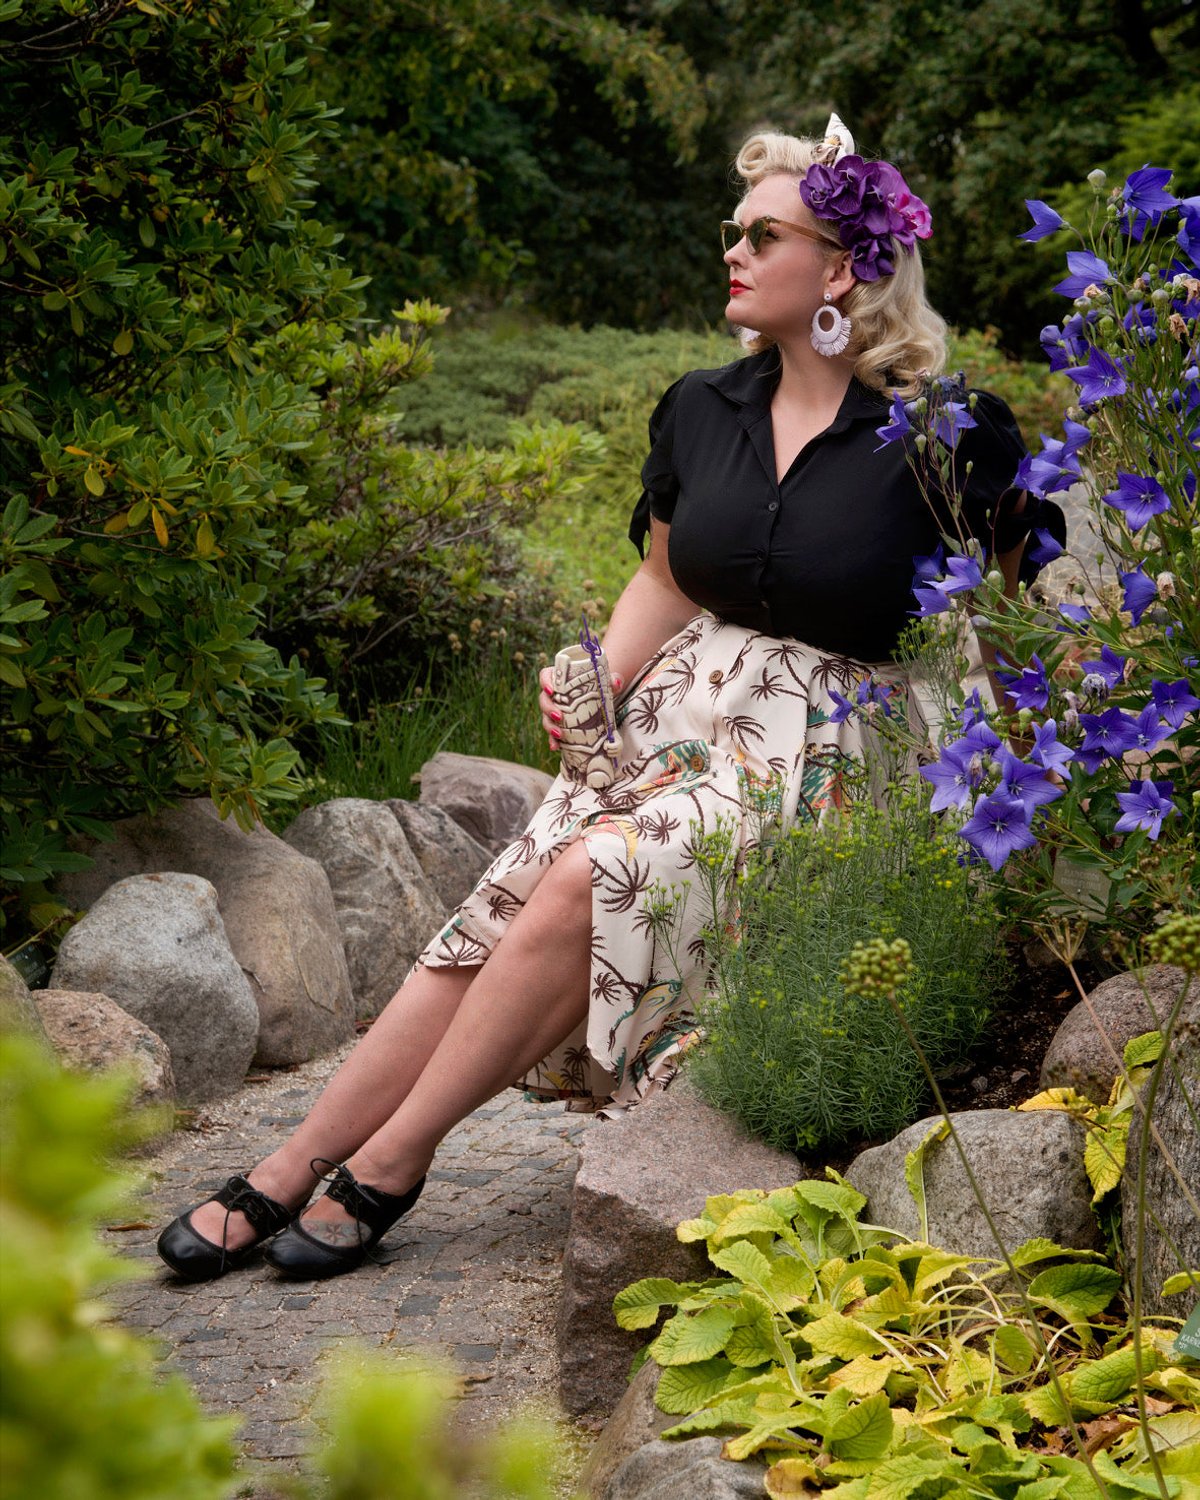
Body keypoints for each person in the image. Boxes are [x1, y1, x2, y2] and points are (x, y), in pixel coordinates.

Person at [156, 118, 1063, 1282]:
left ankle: (393, 1159)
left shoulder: (945, 430)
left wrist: (1030, 806)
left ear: (843, 270)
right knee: (506, 900)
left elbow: (1009, 618)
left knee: (593, 873)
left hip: (836, 765)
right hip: (686, 724)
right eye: (735, 231)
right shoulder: (703, 408)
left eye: (764, 235)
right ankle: (292, 1164)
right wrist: (594, 674)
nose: (733, 251)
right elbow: (669, 576)